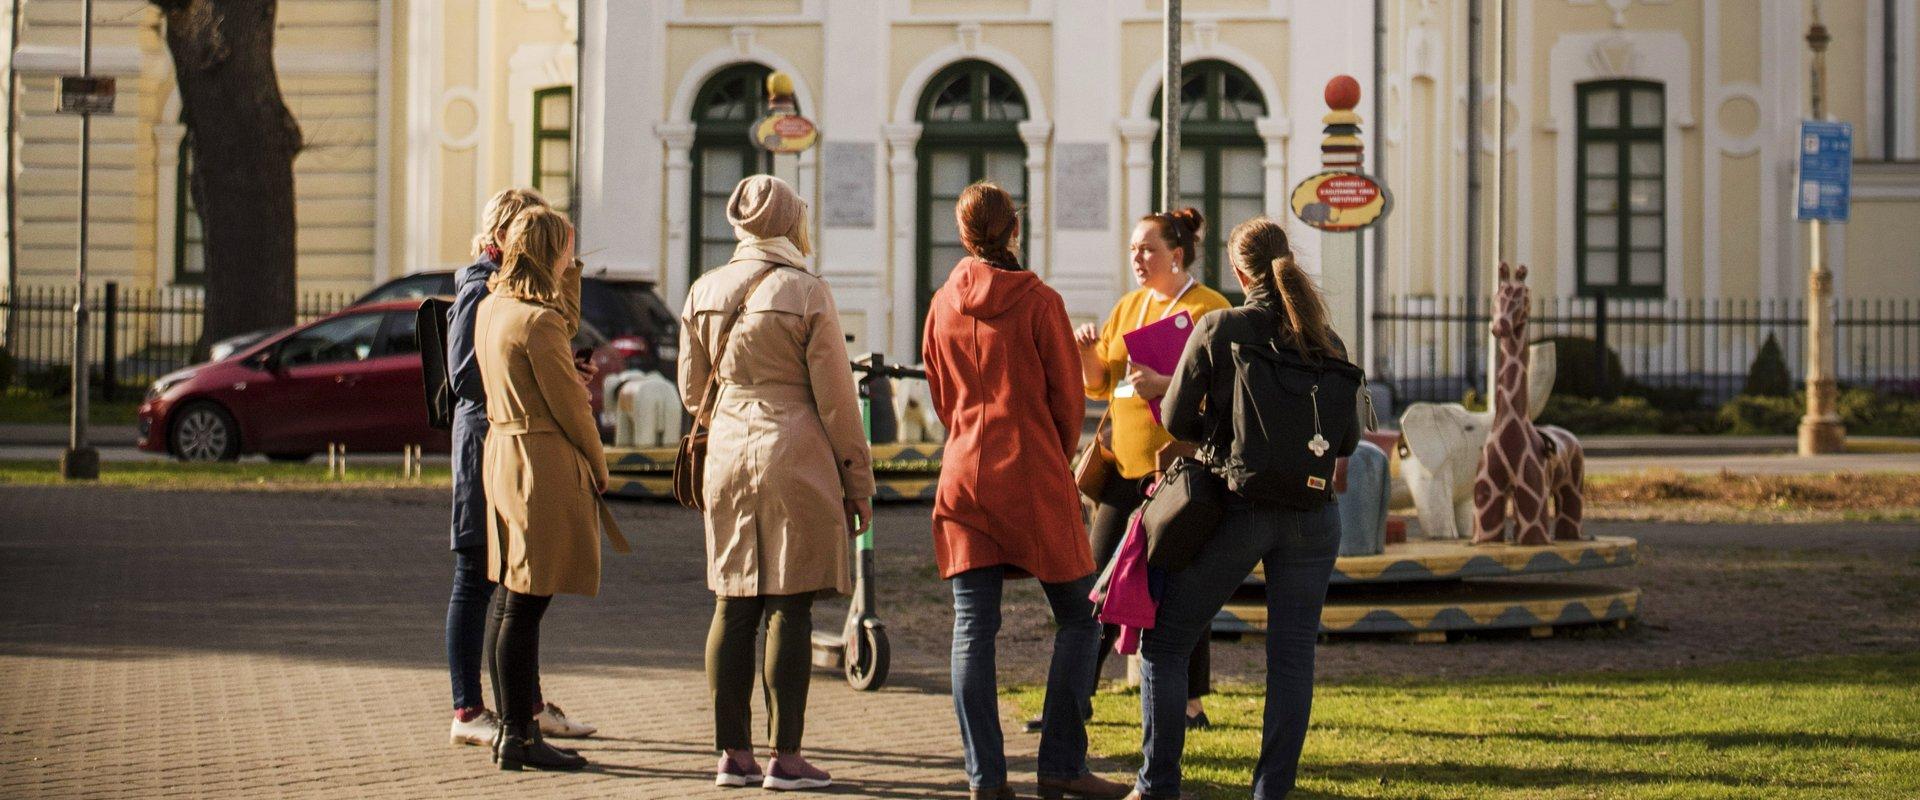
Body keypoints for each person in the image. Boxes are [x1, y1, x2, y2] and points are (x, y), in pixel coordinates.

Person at [1128, 216, 1355, 800]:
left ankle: (1157, 788)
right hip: (1315, 513)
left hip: (1241, 507)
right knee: (1291, 660)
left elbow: (1177, 420)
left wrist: (1222, 430)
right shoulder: (1327, 339)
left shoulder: (1219, 326)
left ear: (1237, 271)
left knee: (1168, 639)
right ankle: (1270, 793)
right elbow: (1347, 438)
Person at [921, 181, 1131, 800]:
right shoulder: (1041, 303)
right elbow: (1069, 403)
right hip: (1033, 473)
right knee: (1081, 618)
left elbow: (939, 395)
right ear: (1014, 231)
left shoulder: (941, 304)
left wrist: (966, 434)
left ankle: (986, 780)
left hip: (963, 472)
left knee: (971, 628)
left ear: (963, 236)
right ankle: (1061, 765)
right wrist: (1050, 453)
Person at [678, 175, 874, 792]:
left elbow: (691, 390)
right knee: (790, 600)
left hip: (728, 451)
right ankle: (785, 758)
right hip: (797, 452)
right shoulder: (808, 290)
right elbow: (839, 402)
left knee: (733, 601)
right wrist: (858, 482)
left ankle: (730, 755)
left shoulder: (704, 288)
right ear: (792, 221)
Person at [1046, 208, 1229, 735]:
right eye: (1132, 249)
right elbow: (1101, 383)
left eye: (1147, 249)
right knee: (1099, 584)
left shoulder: (1208, 309)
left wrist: (1166, 385)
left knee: (1179, 585)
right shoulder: (1128, 306)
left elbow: (1221, 390)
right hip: (1125, 471)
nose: (1137, 258)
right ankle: (1078, 697)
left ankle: (1192, 704)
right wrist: (1084, 351)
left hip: (1182, 472)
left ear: (1177, 253)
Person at [444, 188, 596, 747]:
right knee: (481, 579)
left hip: (508, 439)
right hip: (488, 442)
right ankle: (470, 709)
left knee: (516, 583)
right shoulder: (481, 289)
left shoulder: (519, 291)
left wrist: (570, 261)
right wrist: (532, 385)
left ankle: (523, 706)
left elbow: (563, 323)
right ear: (505, 234)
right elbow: (466, 374)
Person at [475, 205, 618, 772]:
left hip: (504, 451)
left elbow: (561, 317)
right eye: (565, 248)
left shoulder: (496, 307)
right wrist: (598, 461)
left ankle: (513, 729)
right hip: (540, 458)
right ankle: (520, 734)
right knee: (526, 604)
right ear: (547, 252)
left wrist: (569, 265)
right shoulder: (536, 323)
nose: (570, 257)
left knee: (510, 595)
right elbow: (572, 404)